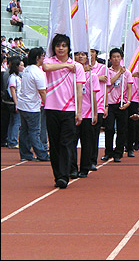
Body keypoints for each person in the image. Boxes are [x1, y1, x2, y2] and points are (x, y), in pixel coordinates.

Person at [42, 34, 85, 189]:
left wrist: (79, 112)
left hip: (69, 110)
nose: (61, 48)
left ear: (68, 48)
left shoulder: (77, 67)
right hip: (51, 108)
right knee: (54, 144)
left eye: (64, 46)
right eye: (58, 46)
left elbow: (79, 90)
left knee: (66, 143)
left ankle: (63, 176)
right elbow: (46, 68)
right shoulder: (50, 61)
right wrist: (66, 66)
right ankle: (58, 174)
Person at [17, 47, 49, 162]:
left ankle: (25, 153)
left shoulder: (26, 70)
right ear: (37, 58)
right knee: (34, 131)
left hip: (23, 104)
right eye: (43, 56)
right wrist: (48, 104)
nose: (44, 58)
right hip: (32, 106)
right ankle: (42, 154)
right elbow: (42, 91)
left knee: (25, 130)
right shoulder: (38, 72)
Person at [71, 51, 99, 178]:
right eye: (78, 54)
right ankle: (72, 168)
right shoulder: (70, 74)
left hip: (87, 113)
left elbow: (93, 95)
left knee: (87, 142)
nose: (81, 57)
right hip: (72, 112)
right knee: (71, 142)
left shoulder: (92, 76)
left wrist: (95, 112)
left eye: (83, 54)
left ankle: (84, 168)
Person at [102, 48, 132, 163]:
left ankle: (118, 152)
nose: (116, 59)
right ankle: (108, 151)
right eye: (114, 57)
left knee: (122, 129)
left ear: (121, 58)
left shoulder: (127, 73)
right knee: (109, 129)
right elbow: (108, 83)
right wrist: (119, 73)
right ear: (110, 59)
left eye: (118, 57)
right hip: (110, 104)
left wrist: (128, 102)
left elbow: (130, 88)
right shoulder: (107, 72)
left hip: (122, 104)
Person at [89, 49, 107, 170]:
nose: (90, 54)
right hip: (84, 106)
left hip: (98, 105)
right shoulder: (79, 68)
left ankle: (92, 160)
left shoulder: (102, 67)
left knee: (94, 135)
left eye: (92, 52)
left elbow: (107, 86)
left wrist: (106, 105)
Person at [127, 56, 139, 155]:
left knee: (133, 123)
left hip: (134, 98)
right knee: (123, 124)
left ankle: (133, 144)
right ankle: (124, 145)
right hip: (122, 98)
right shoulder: (122, 63)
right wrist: (131, 74)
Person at [6, 56, 24, 149]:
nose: (22, 67)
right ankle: (12, 141)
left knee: (13, 121)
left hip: (17, 101)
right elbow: (13, 91)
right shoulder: (13, 77)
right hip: (15, 102)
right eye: (21, 65)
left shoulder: (17, 77)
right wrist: (17, 103)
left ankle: (11, 139)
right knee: (16, 121)